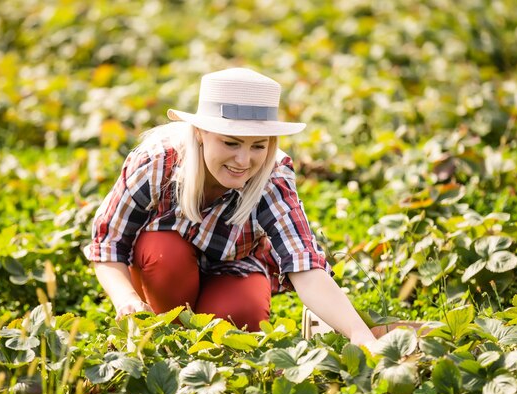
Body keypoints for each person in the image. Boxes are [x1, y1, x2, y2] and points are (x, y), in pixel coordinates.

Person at [84, 68, 376, 346]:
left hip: (233, 266)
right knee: (164, 253)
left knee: (242, 312)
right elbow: (108, 245)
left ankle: (205, 344)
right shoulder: (157, 162)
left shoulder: (272, 175)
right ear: (199, 132)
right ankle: (165, 337)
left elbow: (303, 262)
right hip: (163, 269)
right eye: (231, 143)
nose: (244, 161)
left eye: (258, 146)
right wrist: (127, 300)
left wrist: (360, 335)